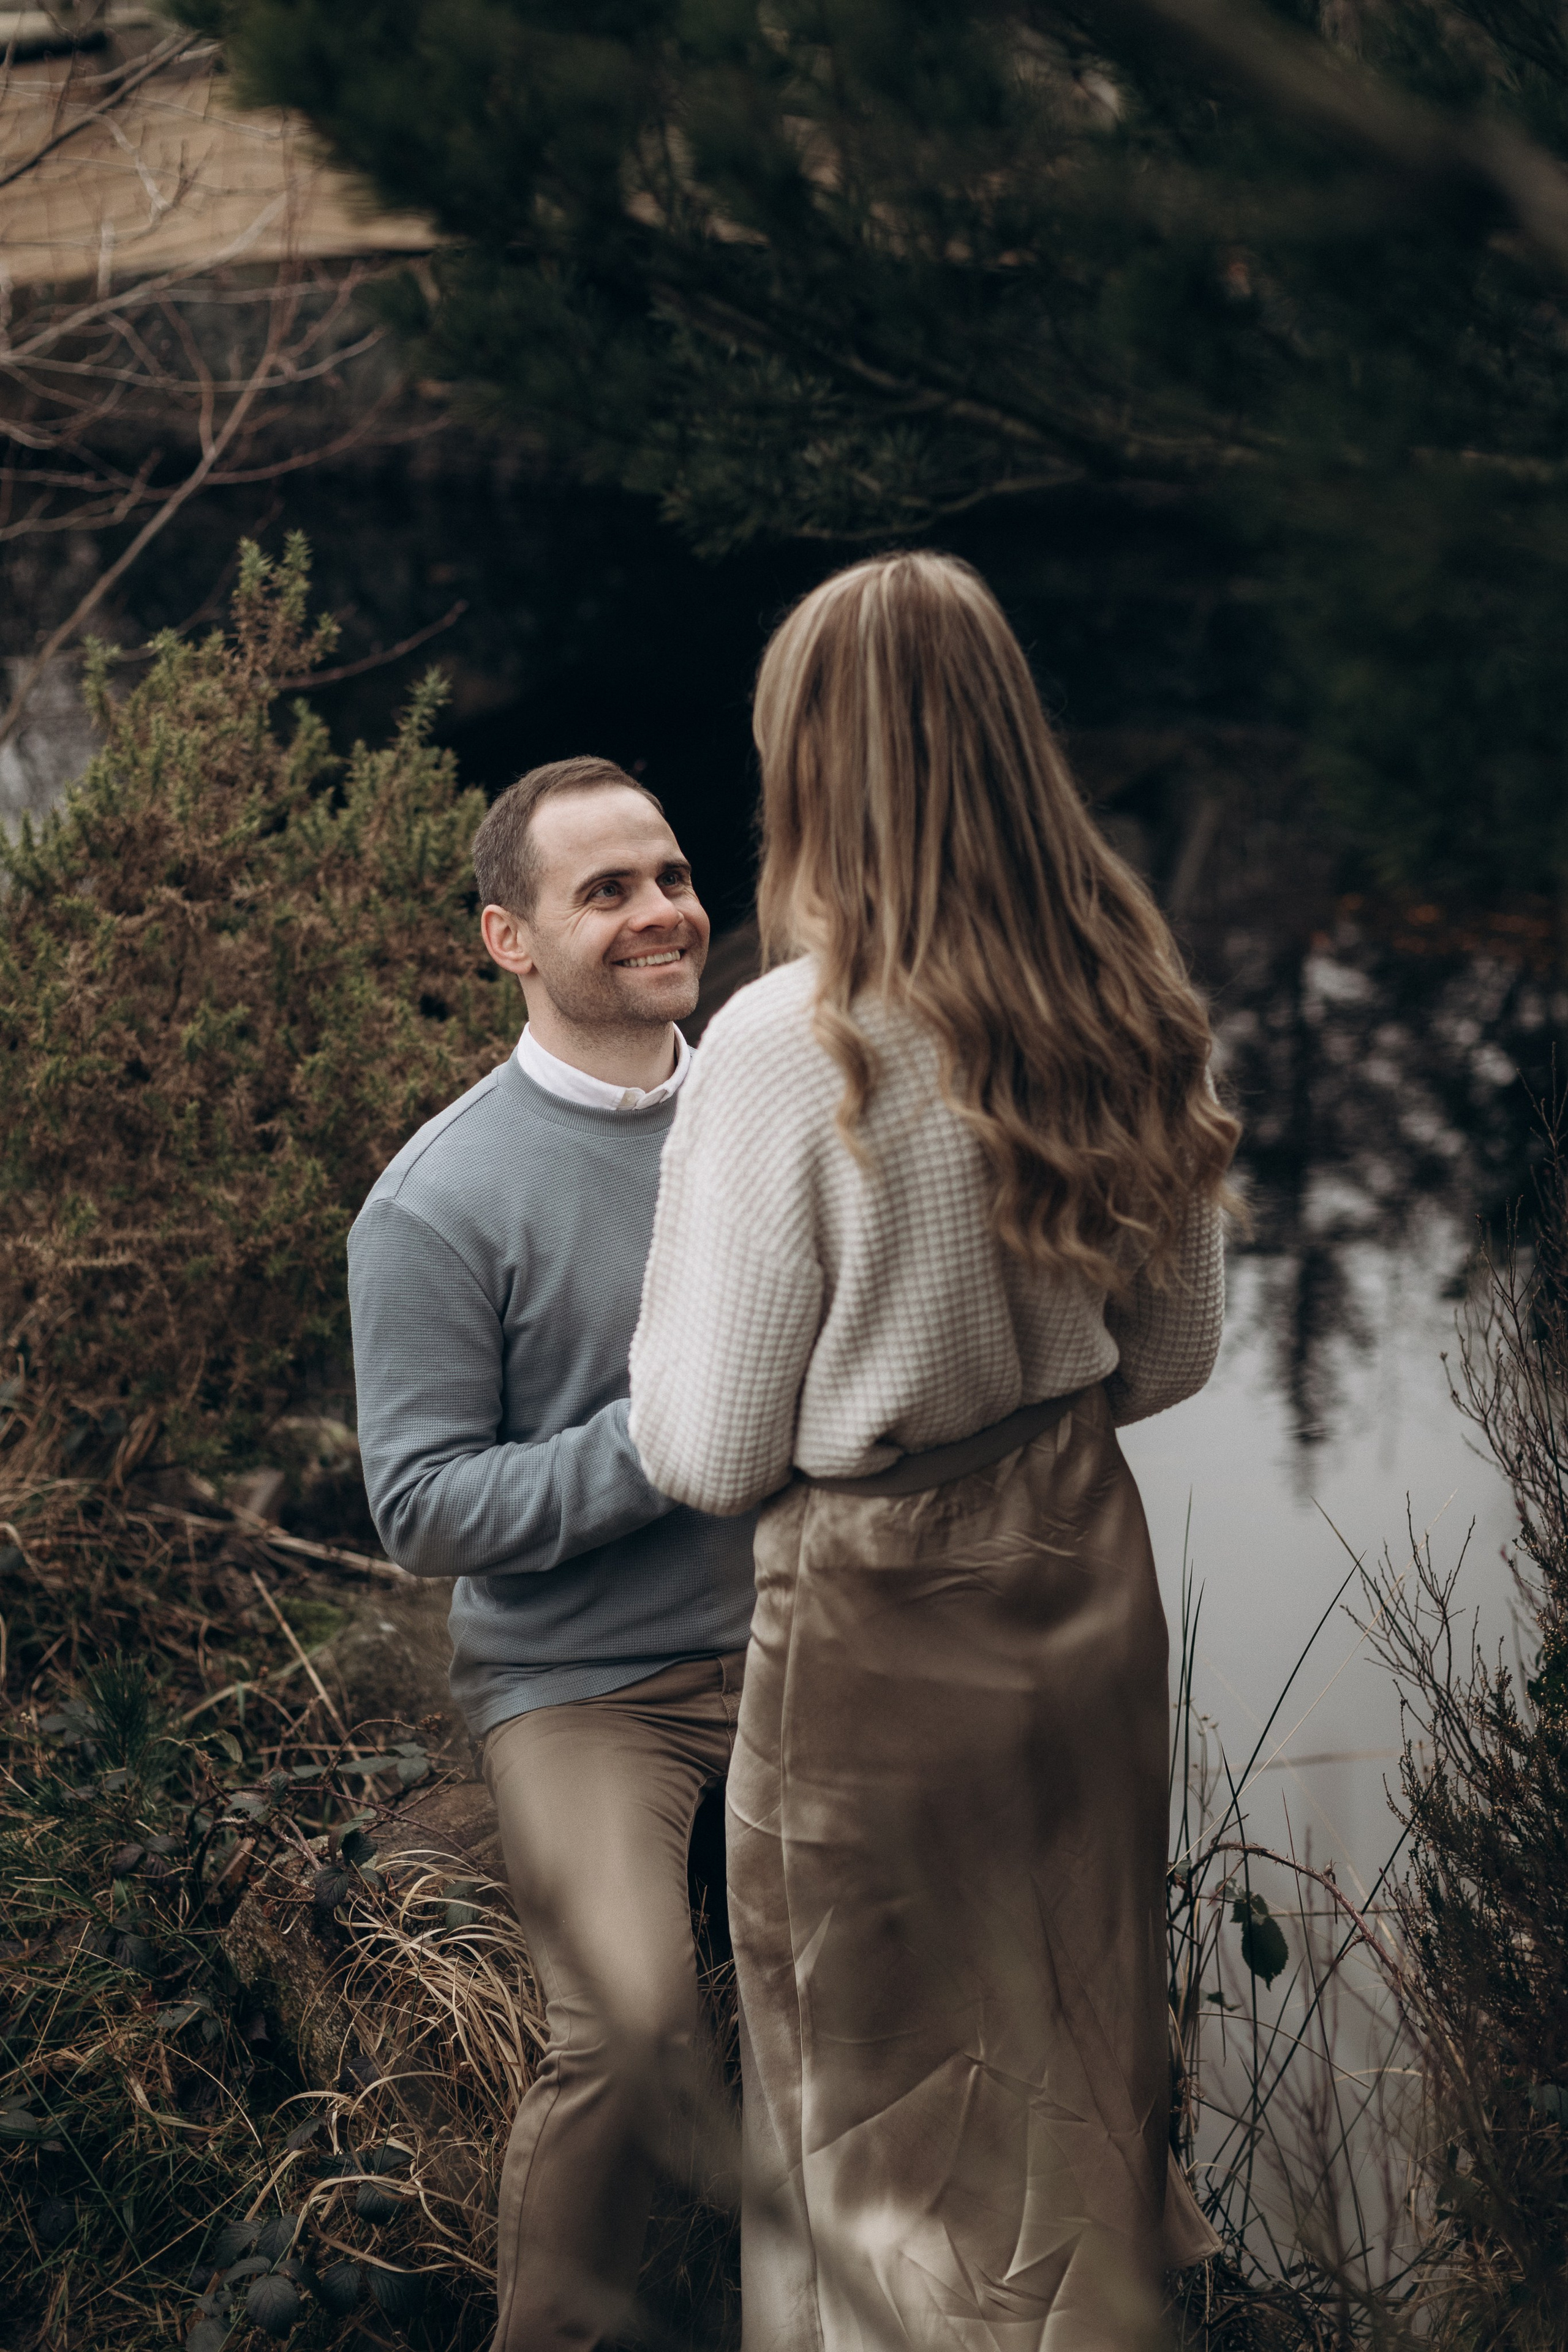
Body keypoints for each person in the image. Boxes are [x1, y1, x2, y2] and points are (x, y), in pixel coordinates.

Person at [628, 555, 1239, 2351]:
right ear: (1011, 744)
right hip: (1081, 1579)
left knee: (881, 2103)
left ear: (811, 763)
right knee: (1077, 2047)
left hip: (877, 1625)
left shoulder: (780, 1043)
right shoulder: (1131, 997)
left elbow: (713, 1448)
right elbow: (1175, 1359)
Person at [347, 756, 757, 2352]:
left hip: (811, 1641)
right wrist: (668, 1435)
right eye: (608, 891)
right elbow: (426, 1507)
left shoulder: (767, 1104)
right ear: (508, 942)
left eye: (668, 875)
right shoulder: (438, 1206)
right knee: (633, 2025)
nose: (662, 913)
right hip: (593, 1691)